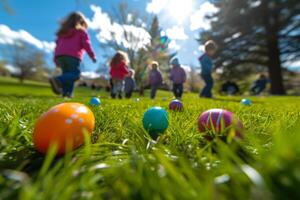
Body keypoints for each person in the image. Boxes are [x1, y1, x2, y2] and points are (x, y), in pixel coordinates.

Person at [50, 12, 96, 98]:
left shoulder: (62, 32)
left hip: (60, 56)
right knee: (75, 74)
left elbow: (57, 46)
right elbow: (86, 44)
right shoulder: (81, 31)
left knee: (67, 75)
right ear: (81, 22)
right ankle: (57, 80)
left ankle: (67, 94)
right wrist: (92, 56)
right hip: (73, 56)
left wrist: (55, 59)